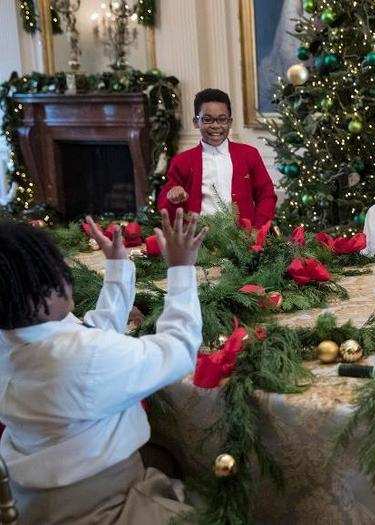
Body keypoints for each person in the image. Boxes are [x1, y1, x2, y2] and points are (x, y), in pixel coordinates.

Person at [0, 208, 207, 524]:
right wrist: (180, 270)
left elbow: (90, 338)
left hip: (37, 502)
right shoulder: (77, 357)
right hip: (102, 505)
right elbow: (178, 350)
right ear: (36, 297)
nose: (66, 270)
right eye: (54, 271)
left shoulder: (13, 339)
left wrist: (118, 268)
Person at [157, 88, 277, 228]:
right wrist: (173, 197)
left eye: (222, 119)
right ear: (196, 122)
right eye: (207, 120)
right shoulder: (182, 161)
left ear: (230, 122)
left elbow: (266, 195)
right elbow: (165, 203)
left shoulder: (249, 155)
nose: (215, 126)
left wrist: (257, 230)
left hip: (243, 240)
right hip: (199, 240)